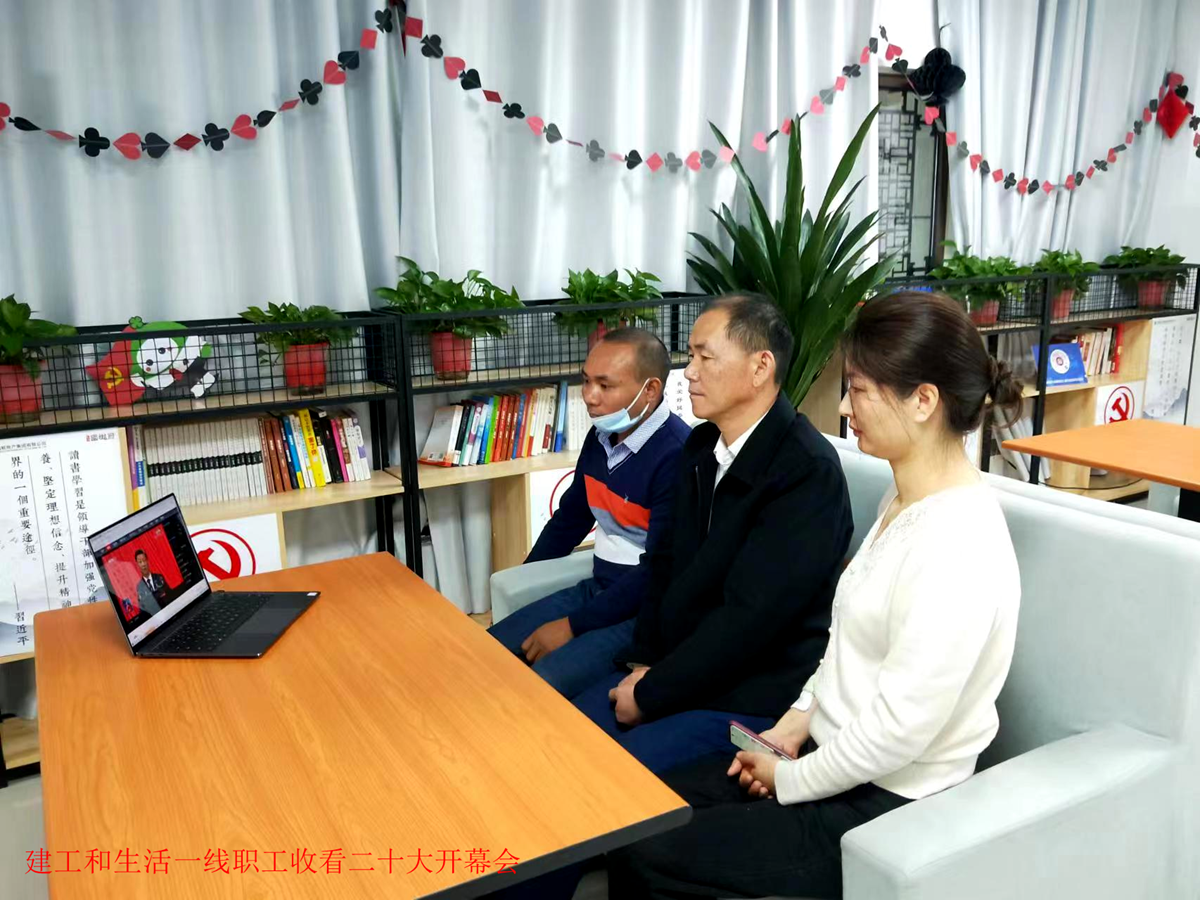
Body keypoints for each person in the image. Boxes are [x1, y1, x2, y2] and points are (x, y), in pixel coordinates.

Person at [608, 289, 1025, 900]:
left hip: (888, 798)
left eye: (858, 389)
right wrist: (793, 725)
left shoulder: (959, 541)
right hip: (830, 757)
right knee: (637, 809)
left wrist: (791, 779)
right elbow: (846, 646)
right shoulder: (904, 502)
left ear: (923, 401)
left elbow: (899, 730)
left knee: (647, 849)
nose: (846, 406)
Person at [570, 293, 854, 776]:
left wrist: (654, 691)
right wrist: (645, 664)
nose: (690, 373)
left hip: (751, 693)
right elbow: (664, 564)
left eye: (705, 357)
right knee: (564, 733)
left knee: (605, 772)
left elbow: (750, 622)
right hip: (681, 667)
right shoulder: (702, 446)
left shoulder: (806, 473)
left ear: (761, 367)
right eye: (690, 356)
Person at [487, 327, 691, 699]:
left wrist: (572, 626)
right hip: (597, 590)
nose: (589, 397)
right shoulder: (599, 438)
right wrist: (525, 576)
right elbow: (570, 519)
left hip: (644, 611)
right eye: (586, 381)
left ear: (650, 390)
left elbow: (658, 573)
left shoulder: (678, 455)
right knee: (484, 652)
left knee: (541, 684)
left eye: (605, 385)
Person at [134, 549, 166, 615]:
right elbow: (143, 609)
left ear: (147, 561)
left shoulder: (159, 577)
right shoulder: (139, 587)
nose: (143, 564)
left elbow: (167, 597)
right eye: (140, 562)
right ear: (137, 565)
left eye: (144, 560)